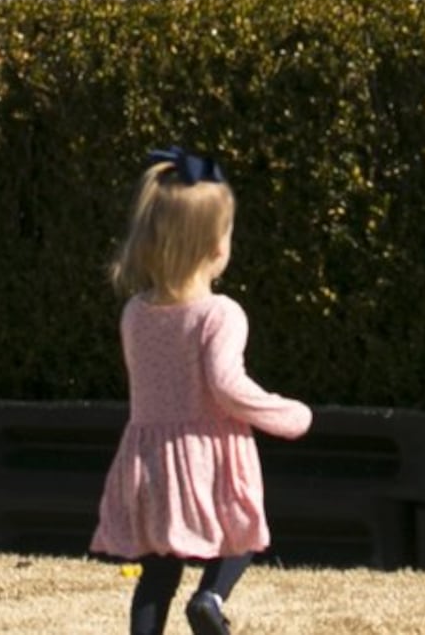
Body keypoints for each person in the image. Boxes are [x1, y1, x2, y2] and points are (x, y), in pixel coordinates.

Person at [90, 146, 312, 635]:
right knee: (242, 535)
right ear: (216, 246)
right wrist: (289, 414)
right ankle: (209, 598)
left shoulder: (135, 313)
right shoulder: (220, 314)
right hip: (209, 454)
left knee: (158, 571)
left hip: (147, 459)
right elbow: (227, 386)